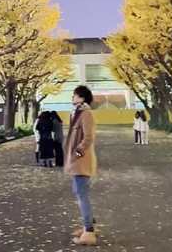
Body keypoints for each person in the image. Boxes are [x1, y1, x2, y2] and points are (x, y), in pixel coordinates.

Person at [64, 85, 97, 246]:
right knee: (80, 193)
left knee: (82, 194)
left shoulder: (85, 114)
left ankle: (89, 231)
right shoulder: (77, 113)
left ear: (82, 98)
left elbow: (88, 137)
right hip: (76, 160)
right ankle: (88, 225)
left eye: (75, 95)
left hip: (80, 161)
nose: (73, 97)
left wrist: (78, 153)